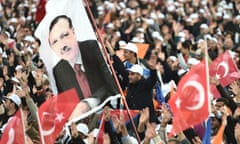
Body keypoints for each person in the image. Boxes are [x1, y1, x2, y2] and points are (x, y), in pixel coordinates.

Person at [48, 15, 118, 114]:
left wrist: (88, 104)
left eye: (65, 35)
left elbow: (108, 82)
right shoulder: (58, 70)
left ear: (73, 32)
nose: (62, 45)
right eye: (55, 42)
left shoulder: (91, 48)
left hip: (108, 109)